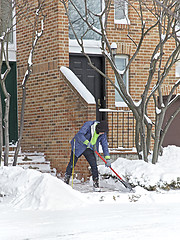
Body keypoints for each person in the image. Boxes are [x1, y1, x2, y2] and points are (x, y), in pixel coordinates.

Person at [64, 120, 111, 191]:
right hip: (78, 146)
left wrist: (107, 158)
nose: (103, 133)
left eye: (104, 132)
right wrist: (86, 142)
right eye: (102, 132)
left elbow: (104, 145)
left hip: (89, 148)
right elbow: (80, 134)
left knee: (94, 165)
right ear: (98, 129)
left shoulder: (102, 133)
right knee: (72, 163)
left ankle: (96, 185)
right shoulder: (88, 125)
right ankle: (66, 182)